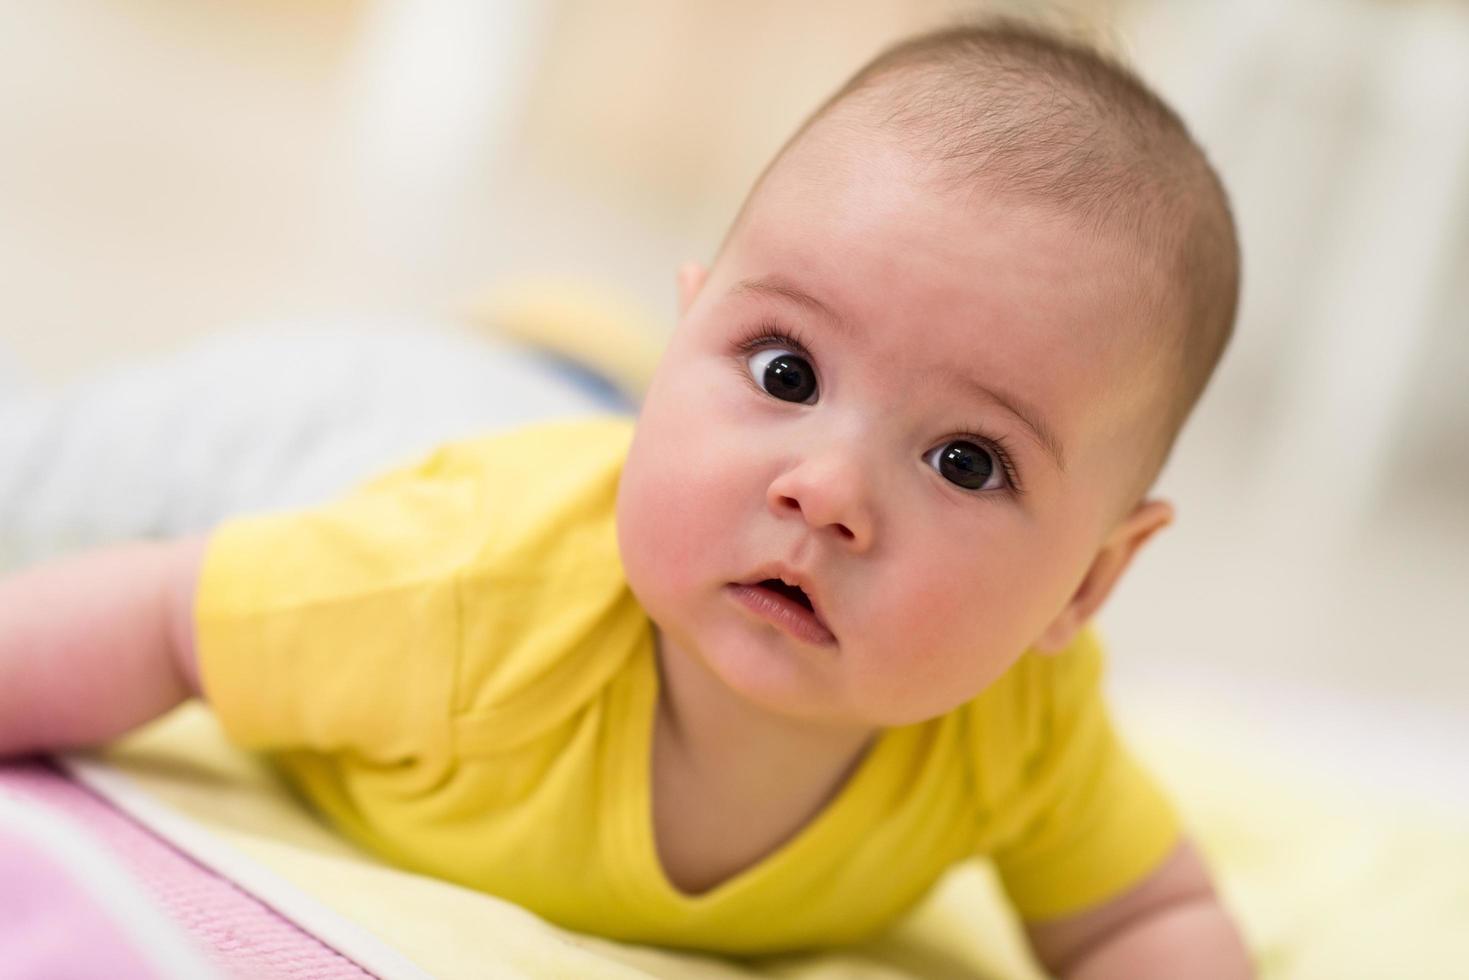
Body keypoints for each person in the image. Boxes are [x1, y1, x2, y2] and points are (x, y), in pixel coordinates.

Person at [0, 21, 1253, 978]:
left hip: (583, 415)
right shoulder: (455, 588)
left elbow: (1142, 914)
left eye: (966, 461)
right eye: (786, 369)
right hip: (361, 428)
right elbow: (166, 617)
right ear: (693, 324)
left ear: (1086, 584)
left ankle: (603, 357)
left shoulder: (1017, 727)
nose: (824, 491)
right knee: (51, 468)